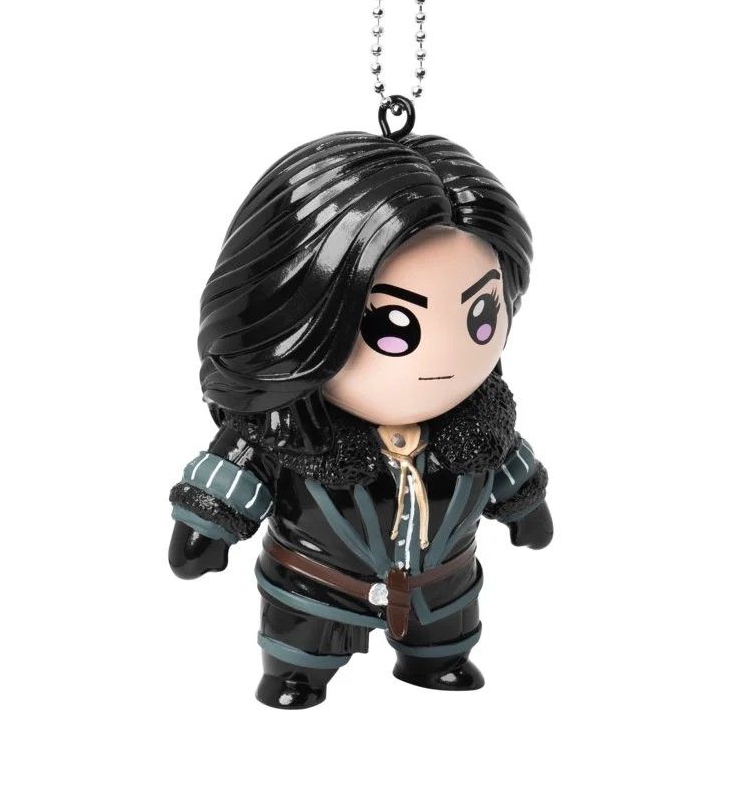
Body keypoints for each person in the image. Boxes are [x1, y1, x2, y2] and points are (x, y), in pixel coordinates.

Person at [168, 131, 553, 709]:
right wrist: (206, 523)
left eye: (480, 316)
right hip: (318, 586)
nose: (447, 357)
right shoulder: (286, 432)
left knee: (444, 637)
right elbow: (229, 476)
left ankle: (439, 659)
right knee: (302, 647)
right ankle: (297, 673)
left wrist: (526, 506)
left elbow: (509, 465)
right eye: (394, 325)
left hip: (441, 590)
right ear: (298, 322)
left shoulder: (480, 425)